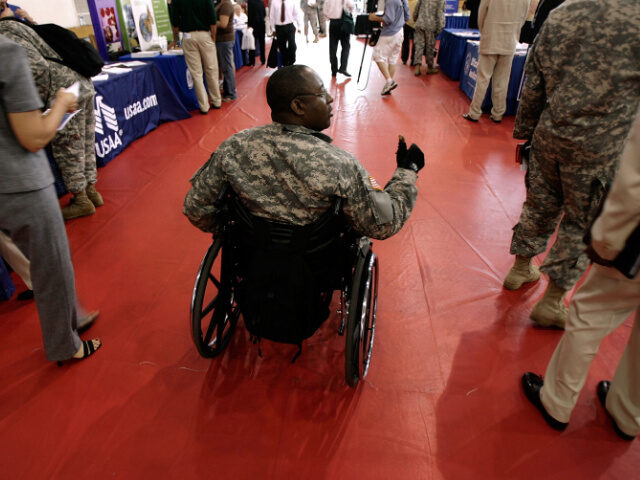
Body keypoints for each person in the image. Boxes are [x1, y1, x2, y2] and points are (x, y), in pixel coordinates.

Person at [503, 0, 640, 328]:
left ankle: (521, 268)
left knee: (539, 204)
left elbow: (533, 76)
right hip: (601, 145)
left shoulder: (562, 11)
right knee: (581, 220)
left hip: (551, 131)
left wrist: (527, 131)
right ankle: (552, 301)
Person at [184, 64, 423, 243]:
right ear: (298, 106)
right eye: (321, 94)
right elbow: (382, 224)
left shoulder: (232, 148)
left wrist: (236, 231)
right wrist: (406, 173)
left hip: (251, 258)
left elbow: (196, 208)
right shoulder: (339, 164)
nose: (330, 98)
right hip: (314, 266)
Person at [522, 108, 640, 441]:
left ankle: (556, 402)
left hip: (634, 244)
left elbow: (633, 183)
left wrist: (605, 241)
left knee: (591, 312)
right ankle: (628, 413)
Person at [0, 35, 101, 364]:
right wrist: (60, 104)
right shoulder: (7, 52)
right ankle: (65, 345)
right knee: (51, 266)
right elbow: (34, 136)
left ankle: (73, 313)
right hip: (18, 181)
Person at [0, 17, 103, 220]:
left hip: (62, 88)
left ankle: (81, 199)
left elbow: (36, 68)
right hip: (80, 81)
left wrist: (34, 103)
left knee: (69, 147)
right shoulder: (18, 23)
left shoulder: (5, 33)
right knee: (85, 143)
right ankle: (92, 191)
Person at [461, 0, 529, 123]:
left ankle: (475, 112)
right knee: (503, 80)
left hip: (490, 38)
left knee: (482, 79)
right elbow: (524, 17)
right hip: (509, 41)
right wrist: (513, 31)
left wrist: (485, 32)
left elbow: (481, 14)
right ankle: (498, 113)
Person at [169, 0, 222, 114]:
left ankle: (204, 106)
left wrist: (175, 40)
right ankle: (216, 101)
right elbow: (213, 20)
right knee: (211, 69)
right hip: (205, 34)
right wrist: (213, 38)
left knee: (196, 73)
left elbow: (175, 23)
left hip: (188, 36)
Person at [369, 0, 410, 96]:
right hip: (400, 31)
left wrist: (374, 17)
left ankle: (389, 81)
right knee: (392, 59)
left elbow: (388, 19)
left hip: (390, 33)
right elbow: (407, 17)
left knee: (377, 56)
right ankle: (388, 85)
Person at [411, 0, 444, 75]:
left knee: (419, 45)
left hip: (420, 22)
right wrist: (440, 28)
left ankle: (417, 66)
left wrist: (415, 18)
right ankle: (430, 67)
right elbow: (440, 14)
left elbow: (417, 8)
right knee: (430, 46)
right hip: (431, 25)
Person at [323, 0, 354, 77]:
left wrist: (329, 17)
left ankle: (334, 70)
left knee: (333, 48)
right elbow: (351, 6)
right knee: (346, 46)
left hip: (333, 23)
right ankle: (343, 68)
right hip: (344, 22)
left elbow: (324, 11)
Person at [216, 0, 237, 101]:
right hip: (224, 40)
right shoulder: (224, 4)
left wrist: (210, 22)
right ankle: (229, 91)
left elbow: (223, 24)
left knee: (227, 67)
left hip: (224, 40)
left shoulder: (225, 5)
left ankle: (230, 93)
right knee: (227, 65)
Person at [269, 0, 301, 66]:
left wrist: (299, 25)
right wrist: (273, 29)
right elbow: (272, 16)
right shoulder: (274, 2)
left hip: (289, 26)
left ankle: (292, 61)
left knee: (292, 45)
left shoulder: (291, 1)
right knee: (282, 47)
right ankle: (285, 64)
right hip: (279, 28)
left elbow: (296, 14)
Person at [247, 0, 266, 65]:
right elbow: (264, 13)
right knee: (262, 43)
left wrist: (249, 25)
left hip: (254, 25)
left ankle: (252, 61)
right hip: (262, 24)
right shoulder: (262, 2)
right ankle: (263, 60)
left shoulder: (250, 2)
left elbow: (249, 14)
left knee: (252, 43)